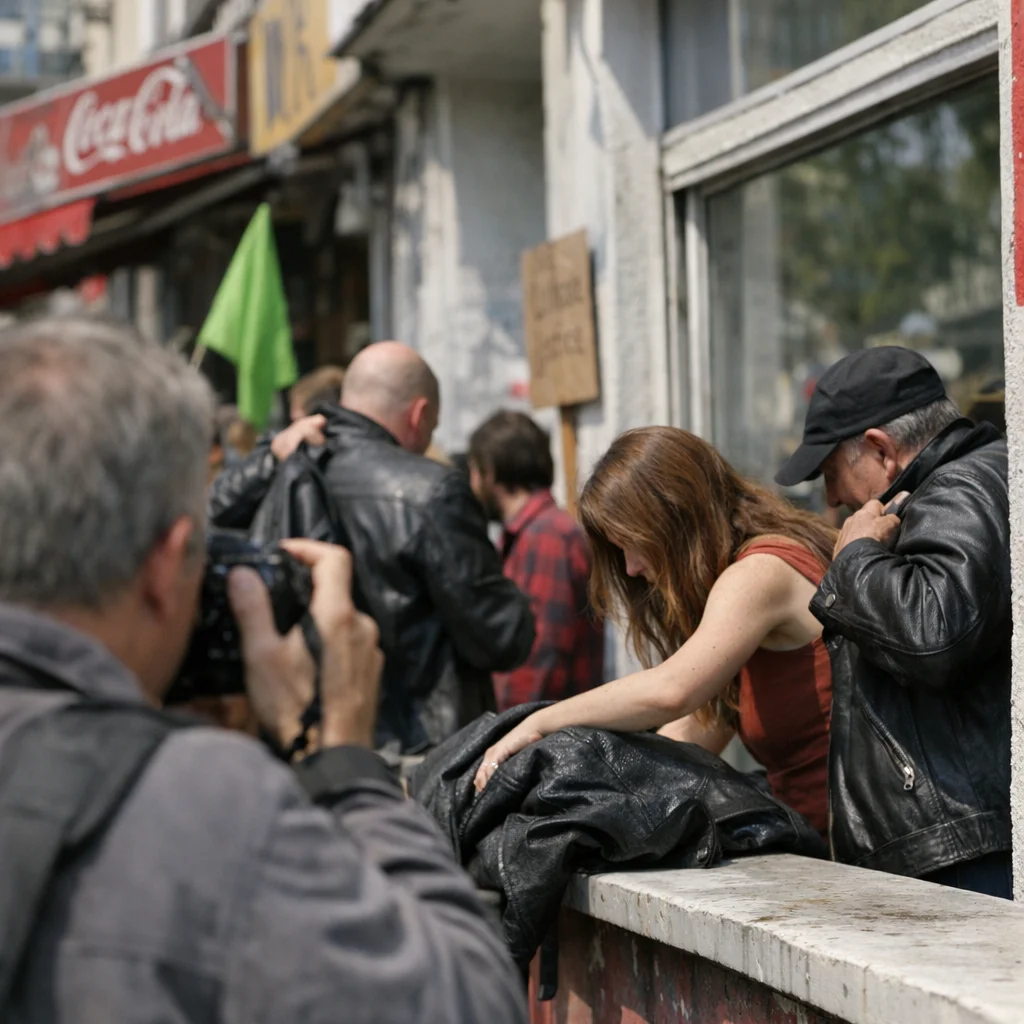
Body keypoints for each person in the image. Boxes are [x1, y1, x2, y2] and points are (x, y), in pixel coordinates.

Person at [0, 317, 527, 1023]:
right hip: (417, 757)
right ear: (166, 566)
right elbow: (468, 1007)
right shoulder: (205, 802)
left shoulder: (284, 464)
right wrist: (341, 759)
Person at [474, 427, 836, 838]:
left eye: (632, 542)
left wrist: (541, 722)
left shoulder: (759, 572)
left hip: (854, 862)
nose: (630, 567)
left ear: (673, 518)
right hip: (823, 849)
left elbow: (672, 691)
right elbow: (694, 735)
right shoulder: (748, 576)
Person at [774, 345, 1011, 898]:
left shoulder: (957, 488)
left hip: (962, 852)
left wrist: (855, 559)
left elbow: (936, 634)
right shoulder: (970, 480)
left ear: (880, 449)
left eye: (832, 471)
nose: (830, 498)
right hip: (960, 841)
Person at [279, 341, 535, 753]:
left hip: (309, 733)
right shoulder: (432, 490)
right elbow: (501, 636)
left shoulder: (286, 465)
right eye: (431, 428)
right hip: (421, 752)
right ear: (418, 415)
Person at [467, 410, 603, 710]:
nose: (472, 484)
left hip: (544, 738)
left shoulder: (547, 536)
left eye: (474, 472)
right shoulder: (532, 534)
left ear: (490, 472)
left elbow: (541, 659)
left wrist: (508, 733)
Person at [208, 364, 346, 530]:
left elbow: (214, 508)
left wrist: (272, 458)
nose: (291, 429)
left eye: (295, 420)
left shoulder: (289, 462)